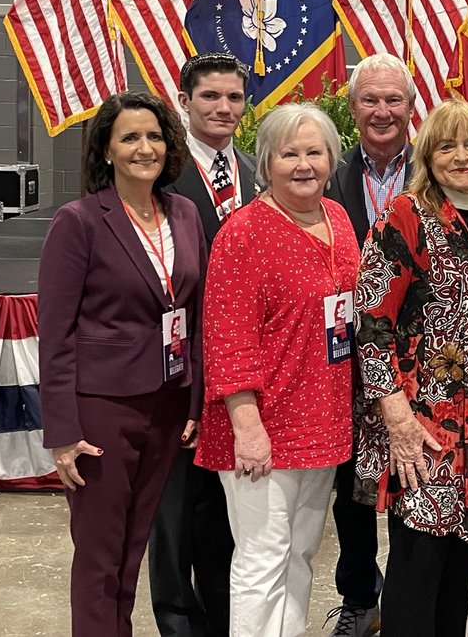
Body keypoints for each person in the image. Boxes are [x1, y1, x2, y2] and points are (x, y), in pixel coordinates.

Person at [38, 91, 207, 637]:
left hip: (167, 402)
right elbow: (56, 335)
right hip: (101, 410)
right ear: (107, 150)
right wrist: (62, 433)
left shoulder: (181, 212)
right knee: (99, 556)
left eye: (154, 136)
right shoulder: (79, 221)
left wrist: (195, 398)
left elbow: (195, 314)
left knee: (134, 546)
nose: (144, 148)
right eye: (130, 137)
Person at [354, 99, 468, 637]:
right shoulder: (404, 215)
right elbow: (371, 321)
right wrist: (397, 418)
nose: (461, 156)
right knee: (419, 567)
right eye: (446, 145)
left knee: (461, 571)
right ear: (427, 154)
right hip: (427, 425)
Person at [195, 102, 359, 637]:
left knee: (300, 555)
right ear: (266, 163)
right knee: (262, 558)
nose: (304, 164)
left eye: (315, 152)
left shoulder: (337, 218)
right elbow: (227, 340)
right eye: (290, 153)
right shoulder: (243, 233)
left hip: (325, 421)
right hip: (262, 427)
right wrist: (248, 429)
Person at [149, 53, 256, 637]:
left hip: (238, 372)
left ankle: (222, 620)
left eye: (234, 97)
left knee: (221, 514)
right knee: (172, 514)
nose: (223, 108)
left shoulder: (255, 171)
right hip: (176, 367)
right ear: (185, 101)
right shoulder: (159, 174)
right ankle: (176, 622)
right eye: (210, 97)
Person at [321, 53, 415, 637]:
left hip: (419, 361)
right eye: (370, 100)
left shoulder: (434, 171)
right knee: (351, 492)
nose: (382, 112)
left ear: (410, 107)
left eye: (393, 100)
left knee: (415, 479)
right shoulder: (325, 174)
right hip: (342, 360)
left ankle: (408, 597)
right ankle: (360, 597)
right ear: (352, 108)